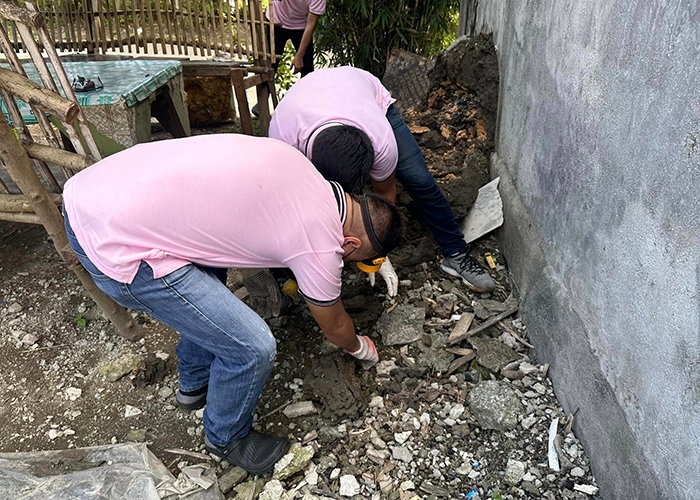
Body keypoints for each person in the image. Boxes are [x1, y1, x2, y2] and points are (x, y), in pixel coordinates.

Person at [61, 134, 401, 474]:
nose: (345, 262)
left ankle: (195, 383)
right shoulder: (320, 242)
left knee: (214, 274)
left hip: (95, 190)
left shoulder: (301, 167)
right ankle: (226, 437)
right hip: (114, 244)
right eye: (354, 258)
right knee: (253, 347)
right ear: (350, 242)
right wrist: (360, 348)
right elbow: (335, 325)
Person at [269, 66, 496, 295]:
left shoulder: (382, 142)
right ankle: (283, 267)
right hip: (305, 102)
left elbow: (385, 195)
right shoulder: (284, 143)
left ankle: (456, 253)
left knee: (419, 179)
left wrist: (378, 252)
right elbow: (289, 205)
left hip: (364, 92)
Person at [267, 0, 325, 76]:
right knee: (268, 66)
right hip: (277, 21)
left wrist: (299, 56)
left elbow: (310, 25)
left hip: (302, 27)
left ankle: (306, 87)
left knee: (307, 68)